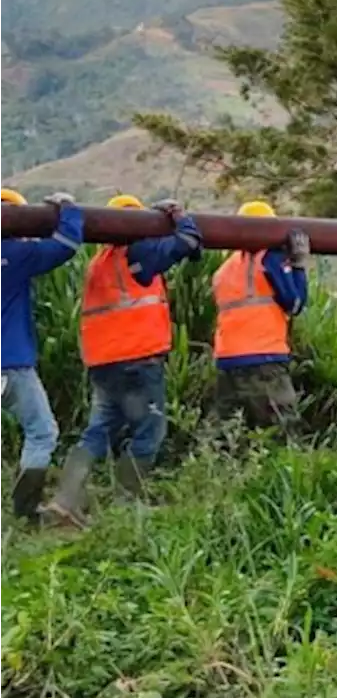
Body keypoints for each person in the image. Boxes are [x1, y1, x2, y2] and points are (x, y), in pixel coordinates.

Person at [43, 195, 203, 528]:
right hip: (137, 361)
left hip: (104, 364)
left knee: (97, 432)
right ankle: (127, 506)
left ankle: (65, 501)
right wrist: (179, 215)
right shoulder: (139, 252)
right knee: (149, 432)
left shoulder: (102, 261)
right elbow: (187, 242)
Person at [0, 190, 82, 524]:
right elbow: (66, 244)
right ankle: (25, 511)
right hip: (11, 362)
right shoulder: (17, 254)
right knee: (42, 431)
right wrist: (68, 208)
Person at [211, 201, 310, 430]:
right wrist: (298, 266)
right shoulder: (269, 259)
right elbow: (294, 303)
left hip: (227, 358)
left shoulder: (225, 269)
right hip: (264, 357)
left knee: (229, 433)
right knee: (283, 428)